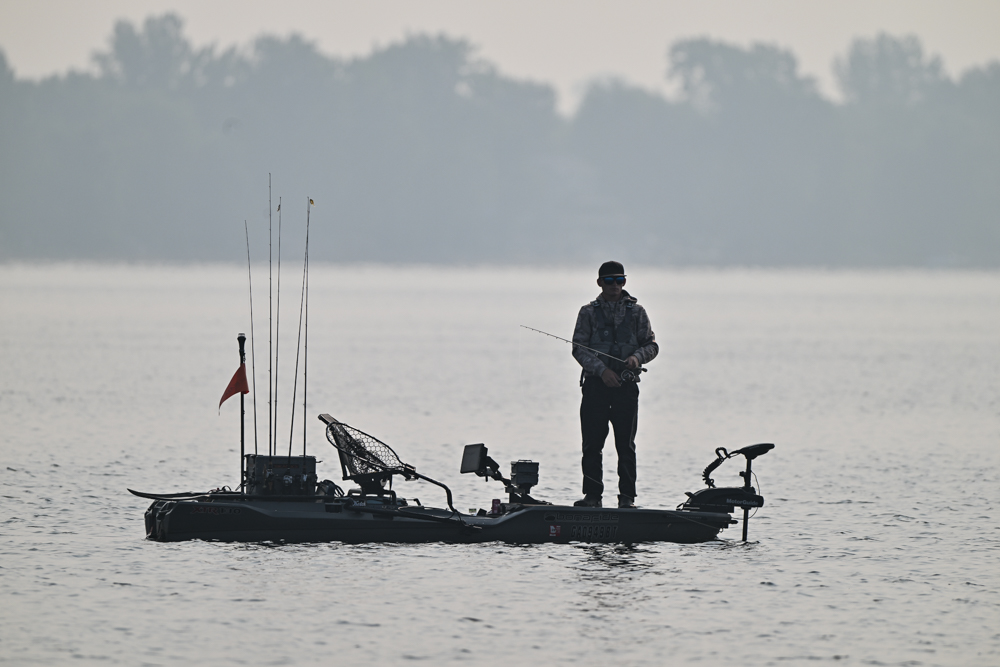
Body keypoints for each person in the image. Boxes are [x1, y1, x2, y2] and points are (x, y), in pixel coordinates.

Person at [571, 261, 658, 508]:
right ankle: (592, 496)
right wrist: (602, 371)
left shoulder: (637, 312)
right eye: (609, 281)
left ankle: (627, 498)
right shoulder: (587, 312)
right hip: (595, 387)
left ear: (624, 282)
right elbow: (578, 348)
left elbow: (651, 345)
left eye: (619, 280)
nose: (615, 285)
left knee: (625, 446)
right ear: (600, 283)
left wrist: (636, 358)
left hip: (626, 387)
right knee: (592, 445)